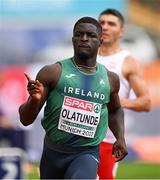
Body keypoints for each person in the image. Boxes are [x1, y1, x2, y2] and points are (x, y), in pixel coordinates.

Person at [18, 16, 128, 179]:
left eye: (90, 35)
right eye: (79, 34)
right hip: (53, 153)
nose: (84, 39)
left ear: (100, 41)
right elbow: (25, 119)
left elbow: (115, 110)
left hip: (87, 153)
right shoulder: (53, 72)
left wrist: (120, 137)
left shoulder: (110, 79)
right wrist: (34, 100)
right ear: (73, 39)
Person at [97, 9, 151, 179]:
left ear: (121, 31)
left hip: (108, 139)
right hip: (78, 137)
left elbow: (146, 102)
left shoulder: (128, 61)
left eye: (111, 23)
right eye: (101, 23)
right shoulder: (83, 56)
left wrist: (119, 101)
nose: (105, 27)